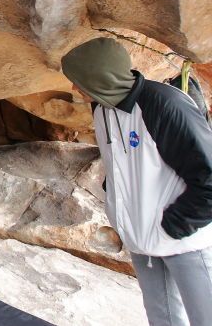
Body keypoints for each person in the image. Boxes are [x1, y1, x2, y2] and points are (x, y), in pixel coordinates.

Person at [61, 37, 212, 326]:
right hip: (140, 238)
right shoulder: (103, 108)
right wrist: (122, 212)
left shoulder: (164, 106)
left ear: (99, 77)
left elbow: (208, 175)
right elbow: (121, 161)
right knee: (162, 317)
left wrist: (175, 225)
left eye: (78, 80)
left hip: (185, 241)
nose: (73, 88)